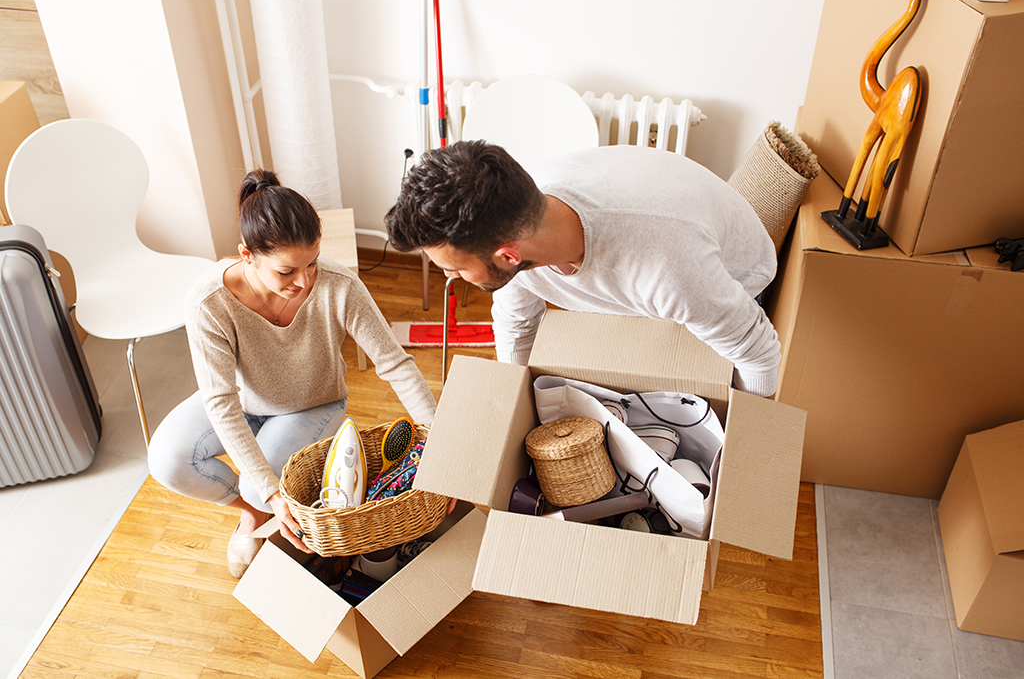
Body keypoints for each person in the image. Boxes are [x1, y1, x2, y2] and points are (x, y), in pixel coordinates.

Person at [149, 169, 436, 578]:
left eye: (313, 263)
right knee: (168, 461)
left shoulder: (340, 287)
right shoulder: (207, 303)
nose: (304, 281)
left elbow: (395, 364)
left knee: (256, 482)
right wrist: (270, 493)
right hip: (245, 401)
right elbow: (221, 403)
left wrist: (439, 446)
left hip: (312, 404)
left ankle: (263, 499)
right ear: (246, 255)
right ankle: (250, 513)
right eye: (286, 271)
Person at [385, 140, 781, 398]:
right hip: (656, 270)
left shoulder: (668, 269)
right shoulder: (516, 216)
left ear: (508, 256)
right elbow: (516, 324)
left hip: (730, 278)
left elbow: (759, 354)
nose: (450, 278)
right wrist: (513, 405)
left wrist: (743, 443)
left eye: (455, 270)